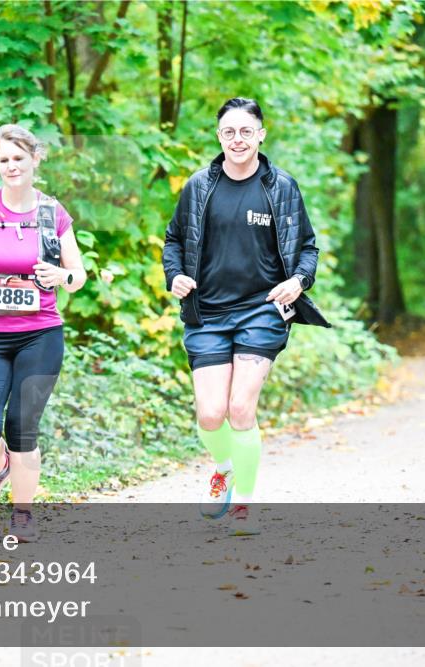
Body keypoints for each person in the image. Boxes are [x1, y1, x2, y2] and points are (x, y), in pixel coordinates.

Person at [162, 97, 331, 535]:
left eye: (245, 131)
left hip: (263, 310)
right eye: (228, 132)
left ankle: (244, 506)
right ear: (219, 137)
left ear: (261, 134)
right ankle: (223, 469)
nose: (237, 139)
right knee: (210, 415)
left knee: (240, 408)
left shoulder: (282, 187)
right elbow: (174, 241)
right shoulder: (199, 186)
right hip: (208, 312)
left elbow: (308, 247)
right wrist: (175, 275)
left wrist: (298, 280)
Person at [0, 124, 86, 542]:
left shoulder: (52, 214)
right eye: (3, 159)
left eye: (18, 158)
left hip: (41, 334)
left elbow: (78, 275)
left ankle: (22, 512)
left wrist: (61, 275)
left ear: (34, 160)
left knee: (23, 425)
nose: (11, 166)